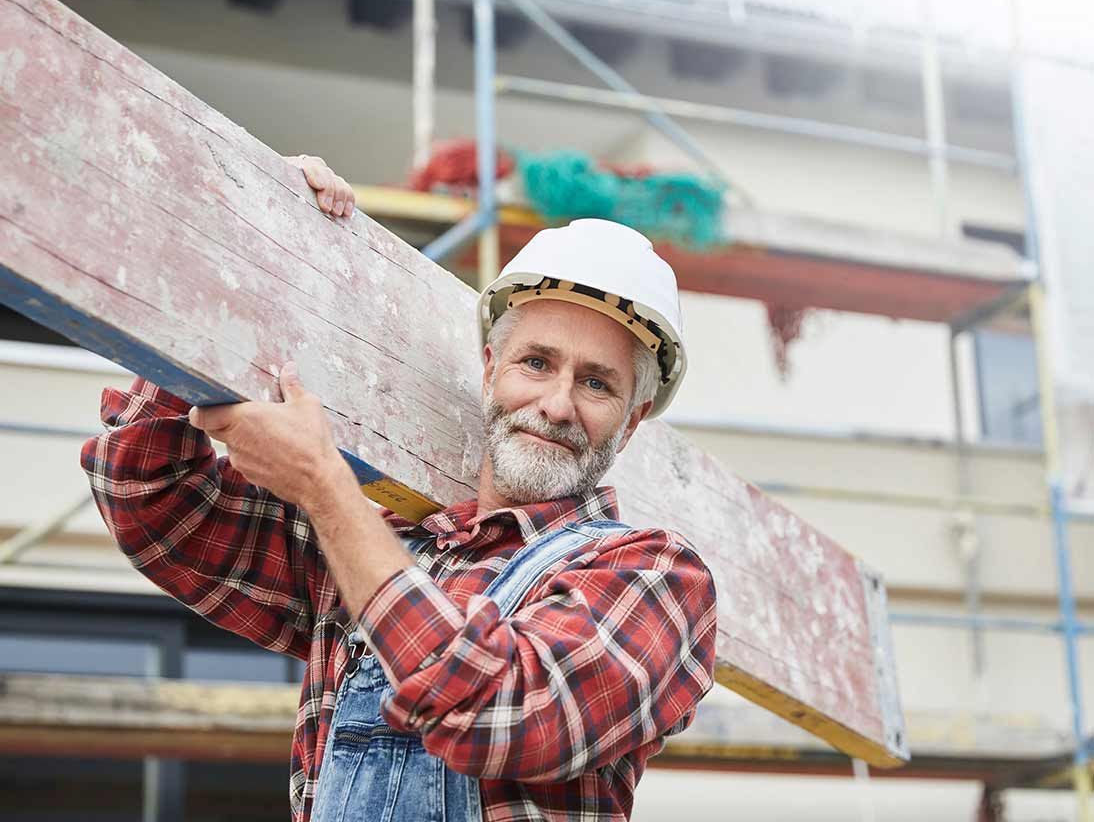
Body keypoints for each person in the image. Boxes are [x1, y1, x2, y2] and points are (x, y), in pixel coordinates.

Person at [80, 156, 717, 822]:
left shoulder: (657, 578)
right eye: (536, 362)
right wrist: (250, 250)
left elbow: (496, 707)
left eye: (596, 383)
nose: (557, 405)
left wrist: (327, 489)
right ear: (490, 370)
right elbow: (150, 499)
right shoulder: (379, 541)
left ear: (632, 421)